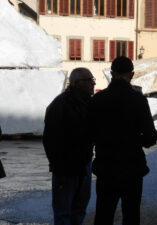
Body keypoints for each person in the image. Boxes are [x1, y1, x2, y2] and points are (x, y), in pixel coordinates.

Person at [88, 56, 157, 225]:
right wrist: (135, 140)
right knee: (131, 214)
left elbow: (89, 133)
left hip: (106, 166)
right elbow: (150, 137)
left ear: (112, 73)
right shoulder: (138, 99)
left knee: (104, 213)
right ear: (132, 74)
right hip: (132, 167)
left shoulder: (98, 99)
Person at [43, 68, 95, 225]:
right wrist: (58, 162)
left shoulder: (85, 102)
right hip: (66, 165)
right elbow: (51, 139)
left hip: (82, 162)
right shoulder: (62, 104)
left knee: (78, 207)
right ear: (78, 83)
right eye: (90, 80)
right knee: (65, 210)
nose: (93, 83)